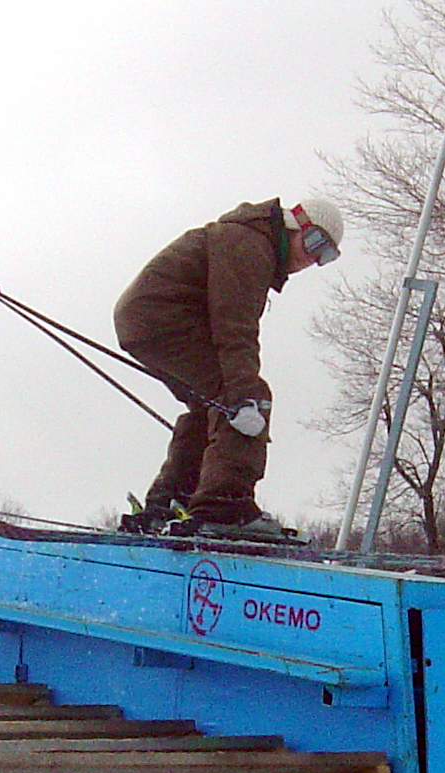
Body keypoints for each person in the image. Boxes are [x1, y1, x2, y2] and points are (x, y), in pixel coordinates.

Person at [113, 197, 343, 537]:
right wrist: (244, 394)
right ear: (294, 224)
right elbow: (234, 326)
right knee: (245, 396)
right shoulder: (249, 244)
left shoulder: (251, 240)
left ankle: (171, 502)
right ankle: (225, 507)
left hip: (149, 319)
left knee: (210, 404)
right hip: (163, 319)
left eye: (325, 255)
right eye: (314, 242)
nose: (312, 257)